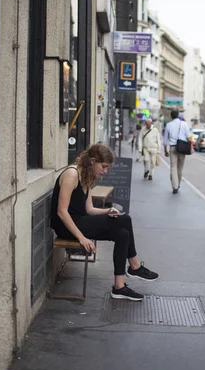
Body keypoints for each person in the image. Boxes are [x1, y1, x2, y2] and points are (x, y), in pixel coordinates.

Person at [50, 144, 159, 301]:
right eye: (104, 166)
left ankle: (119, 287)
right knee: (125, 219)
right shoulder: (71, 174)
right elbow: (62, 212)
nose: (105, 171)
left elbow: (89, 209)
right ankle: (135, 266)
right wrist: (82, 238)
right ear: (93, 161)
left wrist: (108, 211)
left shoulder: (86, 176)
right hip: (66, 226)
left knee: (122, 233)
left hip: (81, 221)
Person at [163, 109, 191, 194]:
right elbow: (189, 137)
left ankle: (175, 186)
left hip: (173, 148)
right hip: (182, 148)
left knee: (173, 167)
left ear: (171, 116)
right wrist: (191, 147)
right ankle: (178, 184)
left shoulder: (168, 125)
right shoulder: (184, 124)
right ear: (178, 115)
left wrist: (165, 151)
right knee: (180, 167)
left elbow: (165, 140)